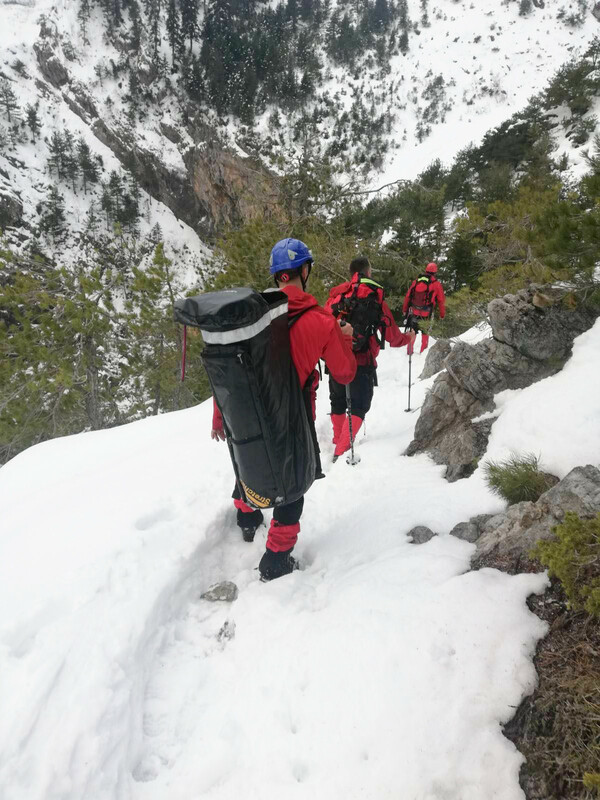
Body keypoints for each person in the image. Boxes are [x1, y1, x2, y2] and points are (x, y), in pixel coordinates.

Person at [211, 238, 357, 581]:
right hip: (293, 413)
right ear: (304, 271)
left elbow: (230, 374)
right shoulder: (321, 321)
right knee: (292, 487)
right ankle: (275, 559)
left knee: (252, 456)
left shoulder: (249, 316)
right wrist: (345, 337)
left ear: (277, 277)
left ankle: (247, 517)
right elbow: (345, 372)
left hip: (245, 412)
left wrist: (220, 417)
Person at [325, 256, 415, 460]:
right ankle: (341, 449)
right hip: (362, 360)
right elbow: (392, 336)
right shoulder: (374, 296)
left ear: (351, 273)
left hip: (336, 359)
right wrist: (407, 338)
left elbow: (323, 323)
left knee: (337, 401)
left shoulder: (336, 295)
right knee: (359, 404)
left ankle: (337, 439)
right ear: (368, 272)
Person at [402, 262, 446, 353]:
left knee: (413, 330)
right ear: (435, 272)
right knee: (425, 332)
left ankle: (409, 351)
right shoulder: (436, 284)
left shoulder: (416, 281)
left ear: (426, 270)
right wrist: (442, 314)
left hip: (414, 311)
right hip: (427, 313)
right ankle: (423, 352)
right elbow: (441, 300)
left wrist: (404, 310)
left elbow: (408, 296)